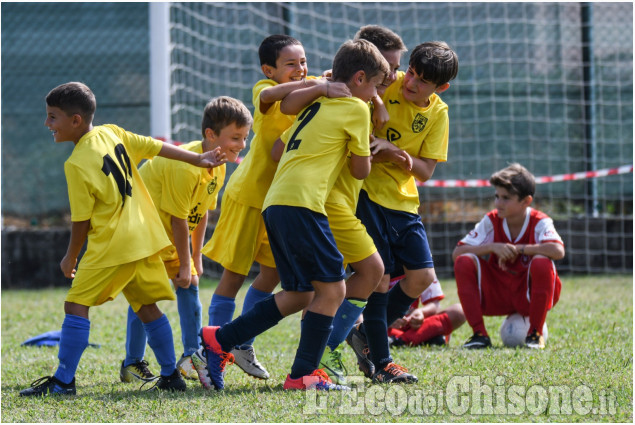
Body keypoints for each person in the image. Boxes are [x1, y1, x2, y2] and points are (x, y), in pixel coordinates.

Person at [191, 39, 390, 391]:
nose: (375, 95)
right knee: (333, 290)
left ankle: (220, 339)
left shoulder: (316, 102)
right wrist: (368, 141)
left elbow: (279, 147)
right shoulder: (355, 109)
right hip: (302, 204)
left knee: (299, 293)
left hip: (277, 202)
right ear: (359, 79)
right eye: (375, 86)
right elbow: (360, 171)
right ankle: (302, 375)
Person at [20, 82, 225, 396]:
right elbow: (155, 146)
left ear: (75, 121)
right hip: (145, 237)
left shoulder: (76, 163)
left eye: (52, 117)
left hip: (112, 245)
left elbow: (81, 221)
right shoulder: (112, 132)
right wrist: (195, 158)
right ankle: (171, 376)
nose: (47, 124)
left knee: (76, 305)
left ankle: (63, 382)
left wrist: (70, 257)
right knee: (147, 308)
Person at [299, 25, 410, 386]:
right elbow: (360, 167)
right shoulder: (340, 99)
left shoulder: (340, 94)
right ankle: (323, 353)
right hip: (327, 203)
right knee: (331, 286)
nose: (394, 78)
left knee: (365, 277)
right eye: (386, 74)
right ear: (365, 72)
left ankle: (336, 349)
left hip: (329, 202)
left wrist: (376, 105)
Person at [346, 41, 459, 384]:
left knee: (421, 278)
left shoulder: (438, 113)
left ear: (441, 88)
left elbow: (425, 171)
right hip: (366, 194)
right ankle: (383, 362)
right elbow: (345, 82)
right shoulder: (388, 83)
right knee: (379, 279)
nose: (411, 83)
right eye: (411, 72)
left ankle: (364, 331)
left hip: (404, 203)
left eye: (423, 81)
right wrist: (378, 101)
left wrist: (394, 152)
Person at [119, 96, 252, 384]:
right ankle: (132, 361)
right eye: (235, 138)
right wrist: (184, 261)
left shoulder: (218, 164)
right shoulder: (186, 165)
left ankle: (192, 356)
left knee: (190, 284)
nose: (241, 145)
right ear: (211, 135)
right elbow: (179, 218)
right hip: (145, 234)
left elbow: (200, 213)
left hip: (169, 234)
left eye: (245, 138)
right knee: (146, 295)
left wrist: (196, 257)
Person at [453, 163, 565, 349]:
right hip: (498, 293)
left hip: (529, 295)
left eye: (506, 198)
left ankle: (535, 334)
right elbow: (457, 253)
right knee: (463, 261)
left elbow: (558, 251)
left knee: (541, 262)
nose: (498, 203)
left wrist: (518, 249)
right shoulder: (491, 220)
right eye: (497, 196)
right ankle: (479, 334)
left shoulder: (540, 221)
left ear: (526, 201)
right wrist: (493, 247)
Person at [386, 271, 465, 347]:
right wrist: (388, 316)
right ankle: (424, 339)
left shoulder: (422, 262)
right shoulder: (378, 261)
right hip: (384, 325)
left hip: (413, 325)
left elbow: (435, 305)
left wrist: (421, 312)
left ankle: (397, 340)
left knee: (458, 311)